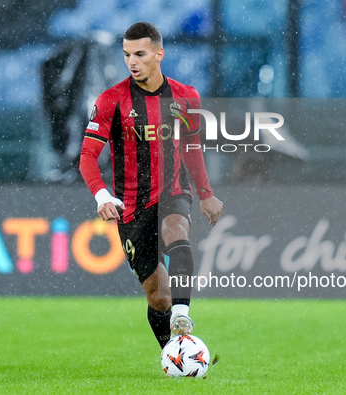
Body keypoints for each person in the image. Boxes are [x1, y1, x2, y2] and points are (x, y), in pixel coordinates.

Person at [79, 22, 223, 349]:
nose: (132, 61)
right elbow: (87, 156)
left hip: (173, 191)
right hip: (131, 209)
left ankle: (182, 314)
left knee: (176, 231)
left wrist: (205, 194)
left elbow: (190, 147)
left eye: (140, 54)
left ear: (159, 54)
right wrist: (102, 195)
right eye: (127, 54)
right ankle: (172, 350)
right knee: (158, 297)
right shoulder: (111, 100)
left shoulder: (186, 96)